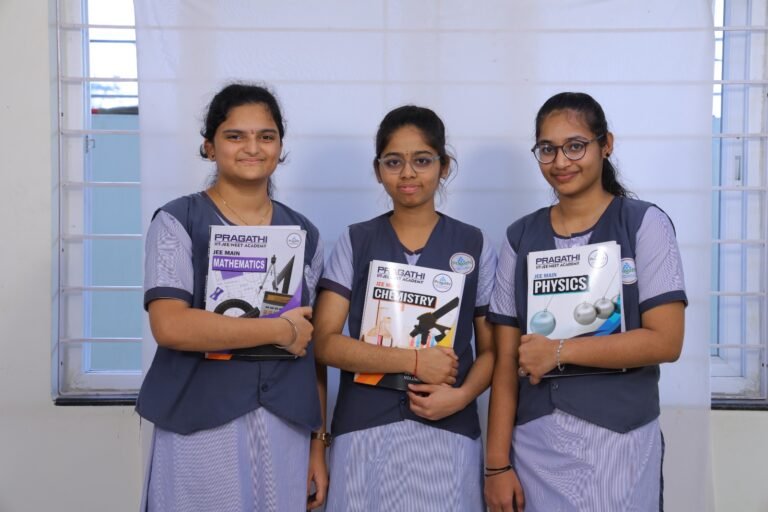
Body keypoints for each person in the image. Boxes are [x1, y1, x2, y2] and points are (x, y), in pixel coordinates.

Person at [484, 92, 687, 511]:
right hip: (537, 445)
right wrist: (497, 466)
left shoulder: (644, 224)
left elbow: (666, 341)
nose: (561, 162)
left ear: (605, 144)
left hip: (623, 441)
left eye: (575, 146)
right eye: (547, 149)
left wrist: (558, 351)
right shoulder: (518, 238)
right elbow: (506, 361)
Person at [137, 82, 328, 511]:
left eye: (266, 136)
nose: (252, 148)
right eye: (235, 135)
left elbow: (309, 342)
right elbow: (170, 325)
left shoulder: (305, 234)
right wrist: (278, 329)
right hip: (199, 420)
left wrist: (318, 442)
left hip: (285, 421)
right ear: (209, 146)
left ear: (280, 146)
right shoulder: (178, 220)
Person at [313, 105, 497, 511]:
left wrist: (462, 396)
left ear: (444, 166)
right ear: (378, 169)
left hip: (447, 428)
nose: (408, 173)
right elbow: (324, 343)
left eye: (422, 161)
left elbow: (492, 352)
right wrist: (414, 360)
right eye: (393, 162)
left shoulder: (474, 244)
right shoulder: (355, 241)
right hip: (363, 427)